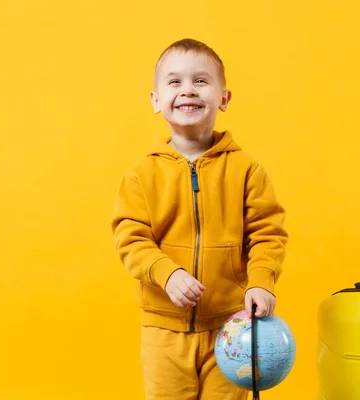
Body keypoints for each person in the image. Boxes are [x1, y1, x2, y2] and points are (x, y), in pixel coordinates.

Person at [111, 38, 288, 400]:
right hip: (164, 331)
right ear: (156, 100)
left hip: (232, 328)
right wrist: (167, 272)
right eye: (174, 82)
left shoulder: (247, 170)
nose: (187, 90)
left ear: (224, 99)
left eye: (201, 81)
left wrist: (260, 282)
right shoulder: (141, 175)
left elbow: (268, 233)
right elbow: (130, 238)